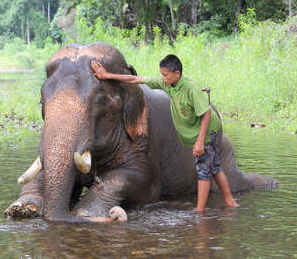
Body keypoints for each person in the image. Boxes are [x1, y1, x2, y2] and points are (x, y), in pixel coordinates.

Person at [91, 55, 239, 212]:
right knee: (215, 167)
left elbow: (206, 114)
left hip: (207, 129)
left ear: (177, 74)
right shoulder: (167, 83)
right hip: (198, 128)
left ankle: (200, 210)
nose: (163, 78)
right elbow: (136, 79)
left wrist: (200, 141)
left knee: (203, 169)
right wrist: (107, 75)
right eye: (161, 74)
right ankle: (230, 201)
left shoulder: (191, 89)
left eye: (165, 75)